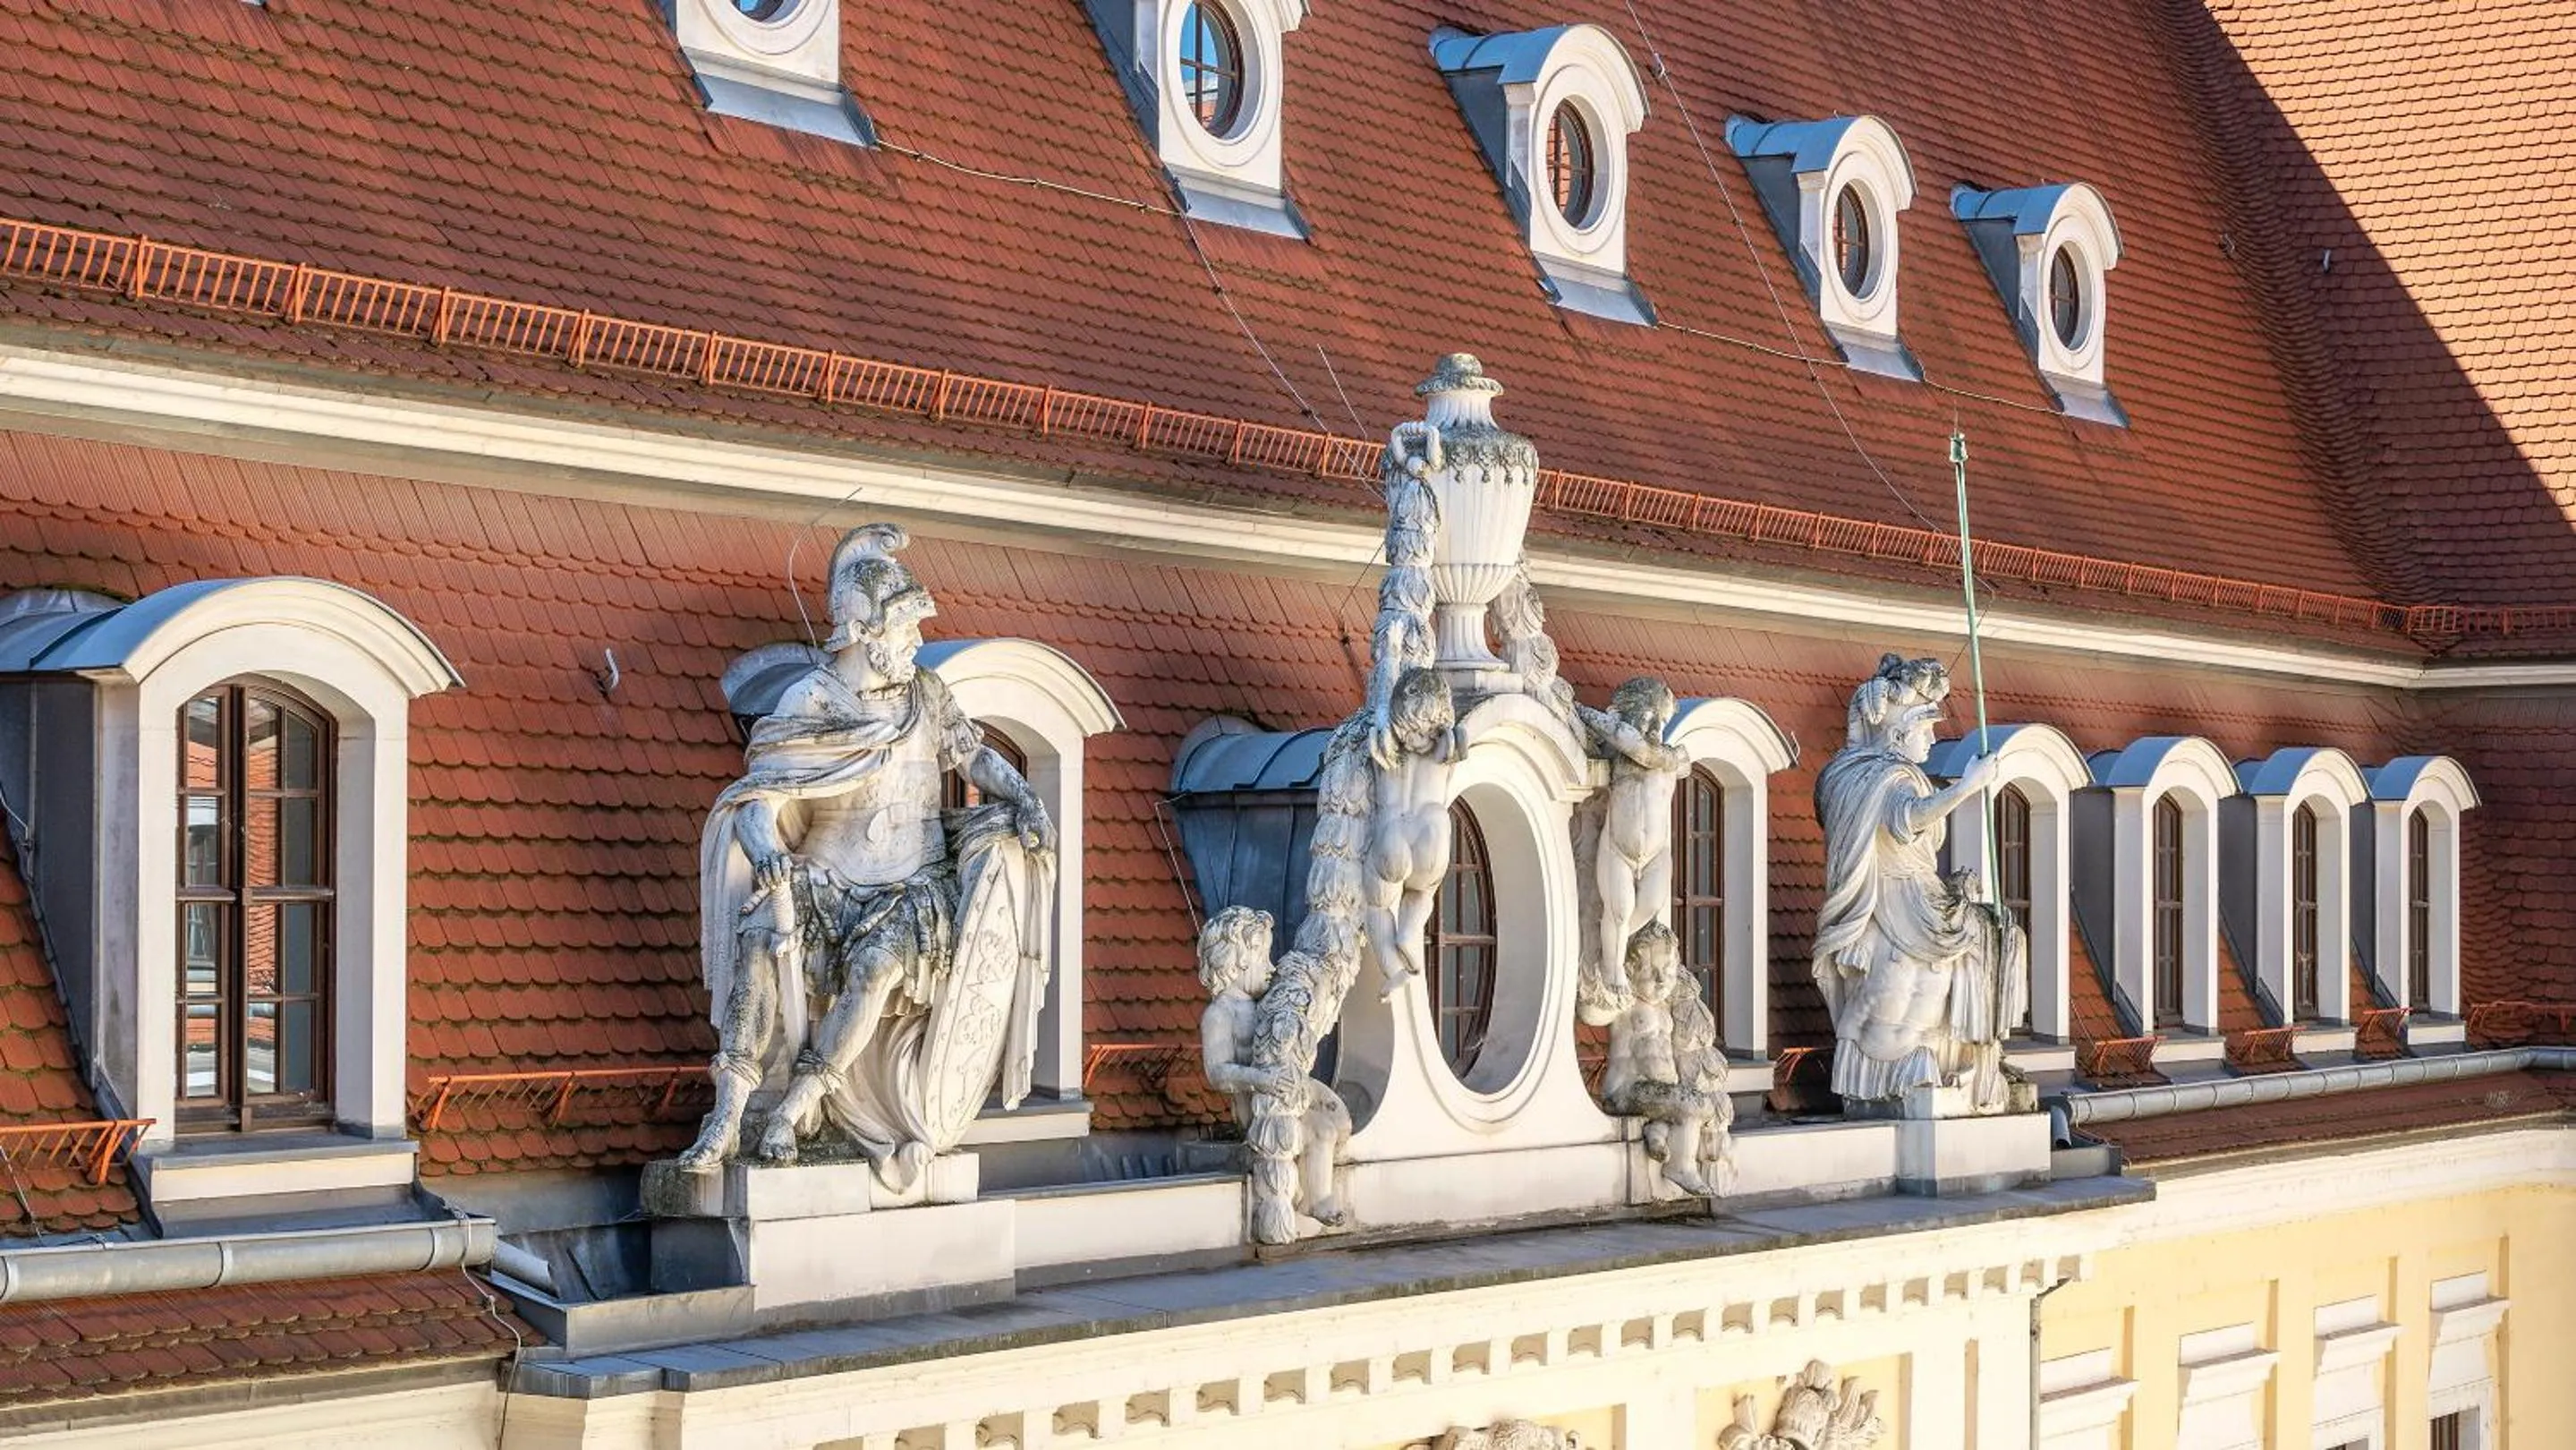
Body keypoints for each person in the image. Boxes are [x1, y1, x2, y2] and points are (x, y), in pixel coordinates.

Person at [677, 525, 1054, 1176]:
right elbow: (757, 800)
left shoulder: (925, 696)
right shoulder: (811, 700)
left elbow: (973, 755)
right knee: (761, 939)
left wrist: (1023, 795)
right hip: (825, 875)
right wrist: (766, 852)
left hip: (910, 883)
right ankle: (731, 1111)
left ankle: (800, 1102)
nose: (915, 641)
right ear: (862, 631)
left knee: (877, 970)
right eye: (904, 627)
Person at [1810, 654, 2026, 1112]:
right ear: (1896, 734)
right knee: (1997, 933)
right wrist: (1969, 785)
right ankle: (1979, 1062)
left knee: (1995, 933)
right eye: (1925, 728)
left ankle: (1980, 1056)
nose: (1932, 737)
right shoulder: (1890, 775)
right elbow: (1907, 820)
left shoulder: (1858, 773)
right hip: (1901, 898)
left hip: (1916, 894)